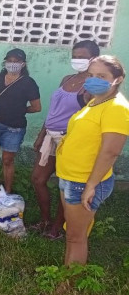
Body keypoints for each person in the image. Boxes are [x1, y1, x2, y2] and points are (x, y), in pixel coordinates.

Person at [56, 55, 129, 265]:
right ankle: (66, 276)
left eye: (101, 76)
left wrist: (91, 186)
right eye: (91, 75)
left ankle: (68, 287)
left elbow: (110, 152)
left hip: (84, 181)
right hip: (70, 176)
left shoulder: (116, 108)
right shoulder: (96, 101)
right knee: (72, 233)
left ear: (118, 79)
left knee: (76, 237)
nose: (93, 79)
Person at [30, 41, 99, 238]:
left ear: (94, 59)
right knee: (38, 178)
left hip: (69, 140)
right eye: (75, 55)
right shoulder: (67, 79)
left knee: (65, 184)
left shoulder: (92, 87)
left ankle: (57, 227)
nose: (77, 60)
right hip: (51, 137)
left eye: (82, 56)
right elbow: (53, 110)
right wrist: (42, 135)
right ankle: (45, 219)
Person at [0, 48, 41, 193]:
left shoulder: (28, 83)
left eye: (16, 61)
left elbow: (37, 107)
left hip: (14, 128)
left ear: (23, 64)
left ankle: (7, 192)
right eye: (9, 61)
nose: (12, 64)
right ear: (5, 62)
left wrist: (20, 110)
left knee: (7, 160)